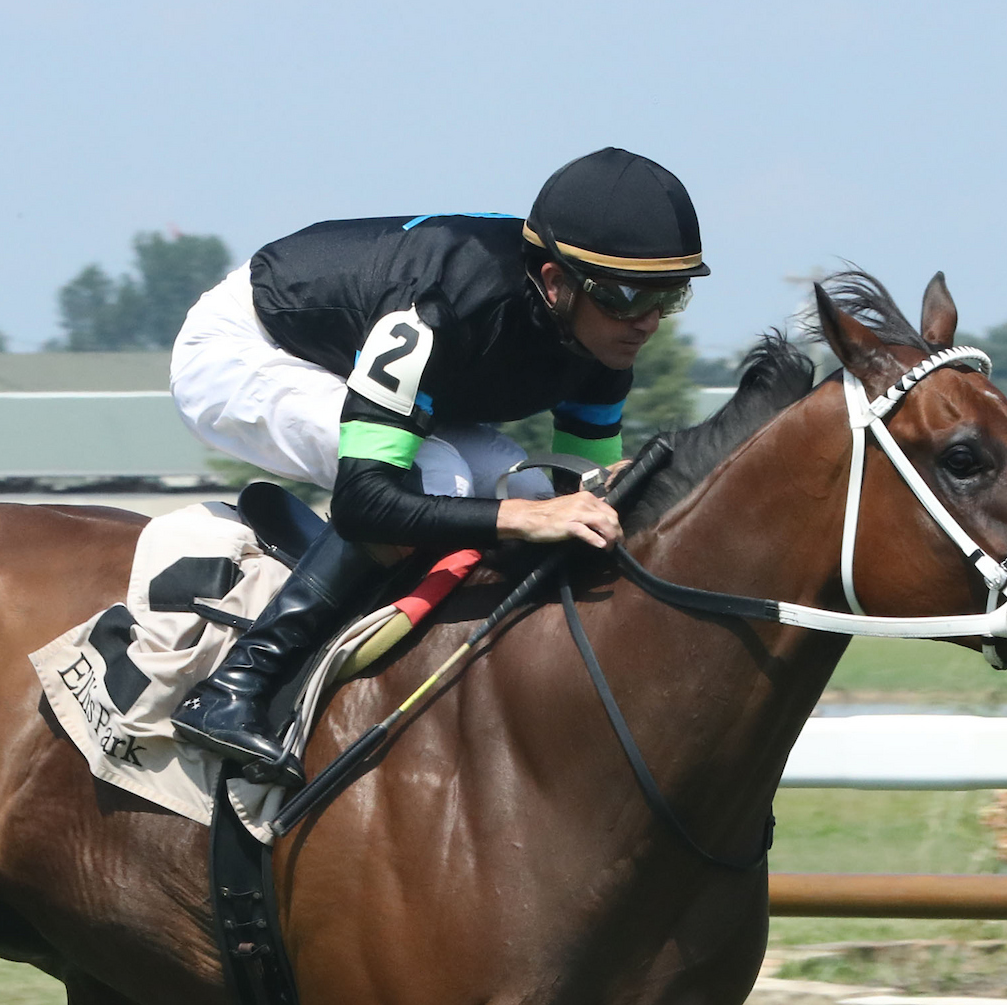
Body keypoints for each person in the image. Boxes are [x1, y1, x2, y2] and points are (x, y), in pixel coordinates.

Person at [167, 147, 708, 785]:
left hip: (353, 347)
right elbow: (364, 503)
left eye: (668, 296)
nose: (646, 322)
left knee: (526, 483)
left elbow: (579, 493)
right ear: (555, 282)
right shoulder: (446, 306)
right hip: (246, 347)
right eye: (624, 296)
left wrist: (597, 496)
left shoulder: (602, 340)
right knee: (441, 476)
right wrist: (524, 519)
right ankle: (239, 683)